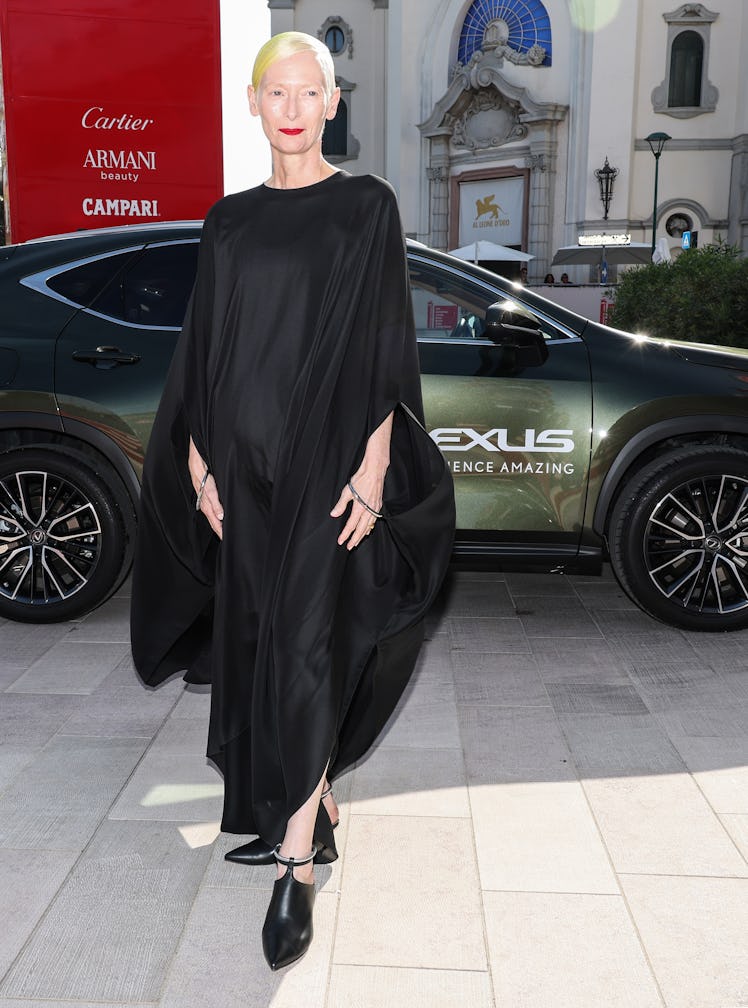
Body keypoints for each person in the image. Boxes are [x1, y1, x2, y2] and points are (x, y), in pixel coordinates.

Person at [129, 31, 454, 973]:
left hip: (324, 466)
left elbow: (391, 346)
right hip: (241, 467)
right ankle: (316, 802)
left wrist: (374, 467)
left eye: (310, 91)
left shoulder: (367, 208)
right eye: (277, 90)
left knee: (308, 645)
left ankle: (298, 856)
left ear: (332, 102)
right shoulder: (227, 222)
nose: (294, 106)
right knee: (263, 638)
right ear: (254, 101)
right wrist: (197, 467)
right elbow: (203, 353)